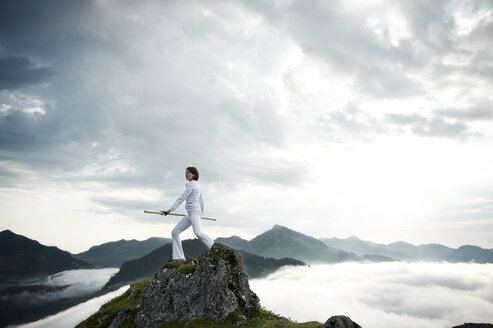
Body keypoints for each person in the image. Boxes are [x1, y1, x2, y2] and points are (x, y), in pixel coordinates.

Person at [161, 167, 214, 260]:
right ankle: (179, 257)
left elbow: (182, 198)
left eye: (188, 173)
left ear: (194, 174)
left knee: (198, 232)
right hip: (191, 214)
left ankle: (215, 248)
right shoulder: (197, 185)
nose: (186, 174)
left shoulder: (192, 185)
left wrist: (170, 210)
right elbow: (201, 201)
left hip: (194, 213)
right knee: (175, 232)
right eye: (186, 172)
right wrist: (201, 213)